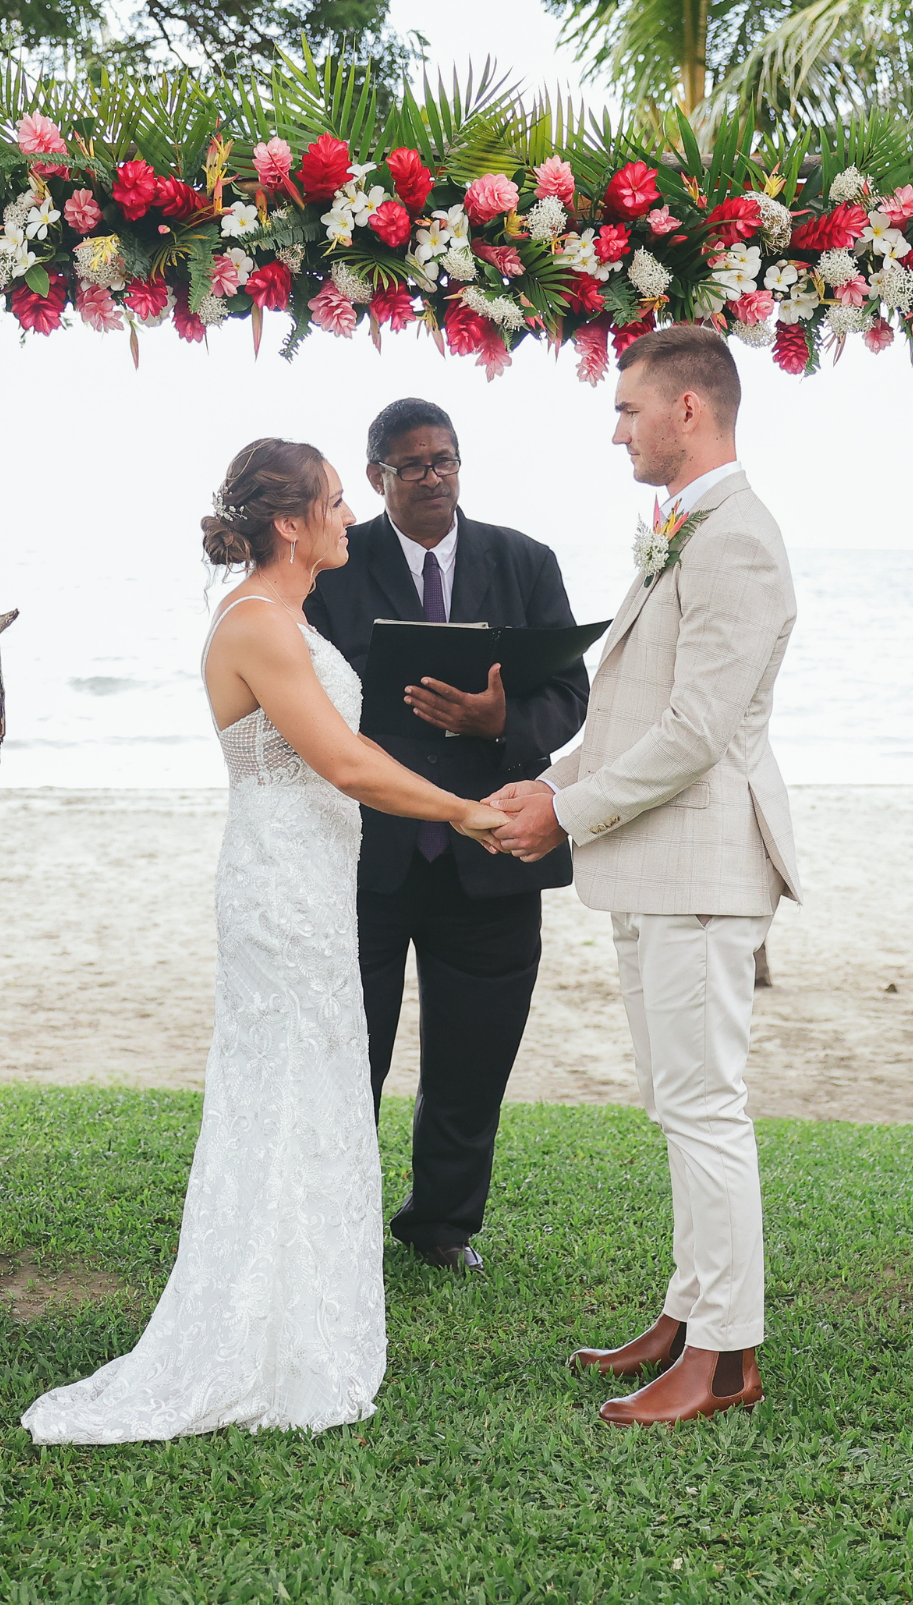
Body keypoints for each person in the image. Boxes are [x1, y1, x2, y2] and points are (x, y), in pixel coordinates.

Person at [21, 439, 509, 1445]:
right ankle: (256, 1334)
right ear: (290, 523)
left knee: (310, 1086)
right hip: (281, 884)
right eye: (334, 503)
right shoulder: (258, 622)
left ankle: (299, 1313)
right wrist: (466, 814)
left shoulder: (281, 614)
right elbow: (343, 761)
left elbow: (351, 754)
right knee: (285, 1087)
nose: (345, 517)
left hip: (308, 877)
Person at [488, 326, 802, 1427]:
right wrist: (543, 786)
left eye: (627, 408)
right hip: (649, 867)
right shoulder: (684, 531)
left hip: (703, 870)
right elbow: (628, 716)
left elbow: (695, 732)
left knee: (707, 1108)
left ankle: (726, 1357)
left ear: (687, 411)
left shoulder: (737, 541)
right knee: (677, 1108)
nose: (614, 427)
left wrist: (565, 812)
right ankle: (684, 1312)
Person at [305, 397, 590, 1276]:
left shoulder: (525, 562)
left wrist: (502, 721)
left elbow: (571, 695)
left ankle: (442, 1227)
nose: (433, 476)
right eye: (412, 463)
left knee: (474, 1057)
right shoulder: (336, 570)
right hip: (367, 853)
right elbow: (311, 702)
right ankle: (337, 1221)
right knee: (351, 1051)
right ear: (376, 475)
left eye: (446, 460)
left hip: (490, 851)